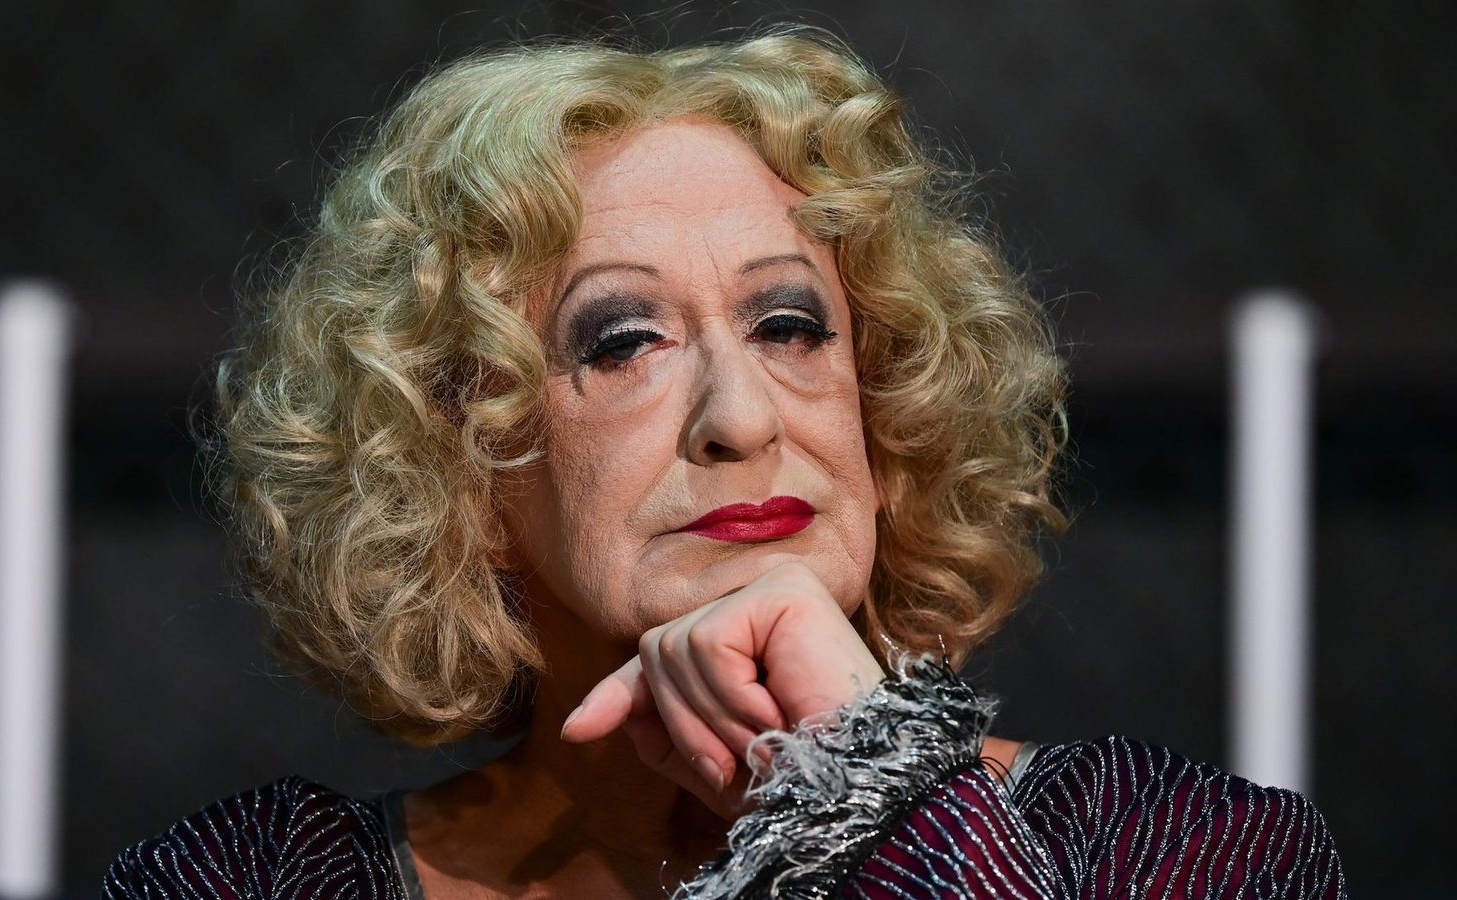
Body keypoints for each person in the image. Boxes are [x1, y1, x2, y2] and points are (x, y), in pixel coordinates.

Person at [104, 27, 1346, 899]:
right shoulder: (260, 882)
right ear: (460, 469)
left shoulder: (1168, 853)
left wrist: (872, 788)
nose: (740, 419)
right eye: (623, 342)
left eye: (789, 327)